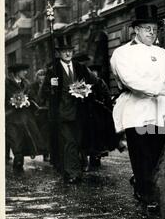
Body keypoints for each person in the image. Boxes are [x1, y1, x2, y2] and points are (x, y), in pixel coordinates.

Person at [110, 4, 165, 211]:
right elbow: (130, 80)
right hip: (137, 110)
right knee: (141, 154)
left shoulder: (161, 52)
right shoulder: (122, 53)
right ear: (136, 30)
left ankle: (143, 184)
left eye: (154, 29)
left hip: (158, 111)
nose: (152, 32)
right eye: (147, 28)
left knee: (157, 153)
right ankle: (147, 193)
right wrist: (158, 89)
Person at [40, 35, 112, 184]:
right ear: (59, 53)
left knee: (79, 142)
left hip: (80, 113)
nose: (68, 54)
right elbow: (42, 94)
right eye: (64, 51)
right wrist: (51, 86)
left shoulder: (80, 68)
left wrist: (105, 94)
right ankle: (72, 173)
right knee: (69, 142)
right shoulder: (53, 70)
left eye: (70, 51)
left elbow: (96, 81)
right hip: (62, 113)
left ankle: (72, 170)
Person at [5, 63, 46, 172]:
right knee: (15, 140)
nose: (26, 73)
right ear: (16, 72)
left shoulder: (27, 84)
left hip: (25, 118)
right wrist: (12, 103)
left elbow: (33, 98)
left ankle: (19, 164)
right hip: (11, 117)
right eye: (23, 71)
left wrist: (29, 102)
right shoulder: (6, 84)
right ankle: (17, 165)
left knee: (24, 141)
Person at [29, 69, 50, 162]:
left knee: (46, 133)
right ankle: (34, 150)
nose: (42, 77)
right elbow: (32, 98)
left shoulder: (47, 86)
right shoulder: (33, 86)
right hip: (36, 112)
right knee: (36, 133)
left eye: (44, 76)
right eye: (40, 76)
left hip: (46, 112)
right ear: (37, 77)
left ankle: (46, 153)